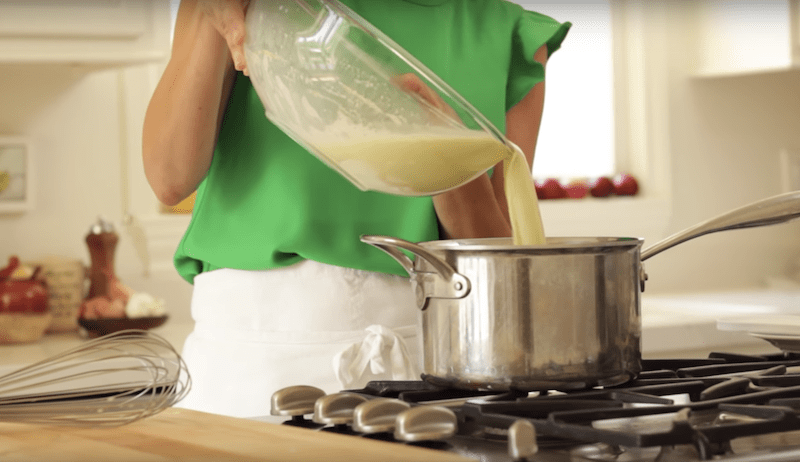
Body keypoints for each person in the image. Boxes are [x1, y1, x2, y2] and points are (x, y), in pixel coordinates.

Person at [143, 0, 570, 418]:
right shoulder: (250, 7)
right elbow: (169, 178)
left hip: (427, 374)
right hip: (247, 370)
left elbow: (498, 267)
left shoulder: (512, 35)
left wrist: (447, 159)